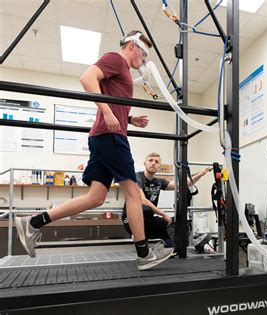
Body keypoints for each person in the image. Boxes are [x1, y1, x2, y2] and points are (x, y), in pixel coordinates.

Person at [15, 30, 174, 271]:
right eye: (143, 54)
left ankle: (34, 222)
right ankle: (144, 253)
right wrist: (110, 113)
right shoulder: (116, 59)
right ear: (133, 45)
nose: (143, 60)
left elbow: (111, 99)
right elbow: (87, 78)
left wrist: (128, 119)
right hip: (110, 138)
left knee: (96, 197)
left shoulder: (123, 71)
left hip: (103, 137)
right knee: (134, 194)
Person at [122, 152, 211, 247]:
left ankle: (173, 248)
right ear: (145, 163)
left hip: (148, 221)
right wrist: (163, 214)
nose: (153, 163)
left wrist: (201, 174)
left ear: (159, 166)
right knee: (146, 209)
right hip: (130, 220)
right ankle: (139, 239)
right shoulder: (137, 177)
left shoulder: (158, 182)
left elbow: (182, 184)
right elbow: (143, 200)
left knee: (172, 224)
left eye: (156, 162)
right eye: (150, 160)